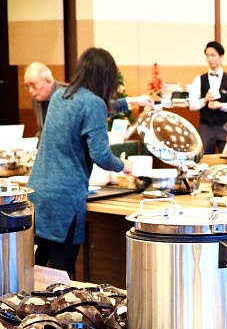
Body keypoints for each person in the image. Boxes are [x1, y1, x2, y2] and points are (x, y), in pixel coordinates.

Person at [27, 48, 132, 277]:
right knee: (60, 277)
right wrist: (126, 167)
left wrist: (131, 102)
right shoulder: (93, 103)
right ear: (106, 77)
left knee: (33, 272)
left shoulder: (60, 96)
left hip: (37, 192)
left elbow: (99, 109)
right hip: (65, 199)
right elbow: (101, 155)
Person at [24, 61, 153, 135]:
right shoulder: (38, 99)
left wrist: (133, 100)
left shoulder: (69, 94)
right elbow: (43, 131)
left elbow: (99, 108)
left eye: (33, 85)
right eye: (27, 86)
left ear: (47, 80)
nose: (30, 91)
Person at [188, 41, 227, 153]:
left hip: (226, 126)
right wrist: (205, 99)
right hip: (206, 126)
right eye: (207, 56)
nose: (210, 59)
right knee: (204, 159)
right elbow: (192, 106)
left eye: (213, 55)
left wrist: (221, 105)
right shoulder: (199, 79)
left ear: (221, 57)